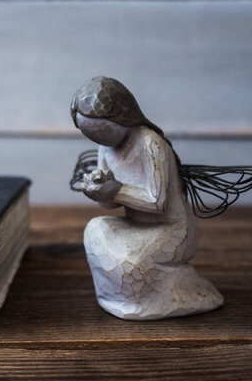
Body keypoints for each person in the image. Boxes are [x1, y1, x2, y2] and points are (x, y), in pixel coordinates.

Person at [71, 76, 225, 320]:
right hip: (137, 226)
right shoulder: (106, 148)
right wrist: (98, 192)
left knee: (128, 262)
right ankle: (115, 296)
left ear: (121, 117)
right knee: (94, 229)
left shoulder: (150, 144)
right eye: (91, 135)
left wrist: (115, 190)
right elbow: (109, 204)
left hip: (171, 230)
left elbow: (157, 202)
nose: (100, 141)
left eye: (102, 131)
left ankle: (152, 297)